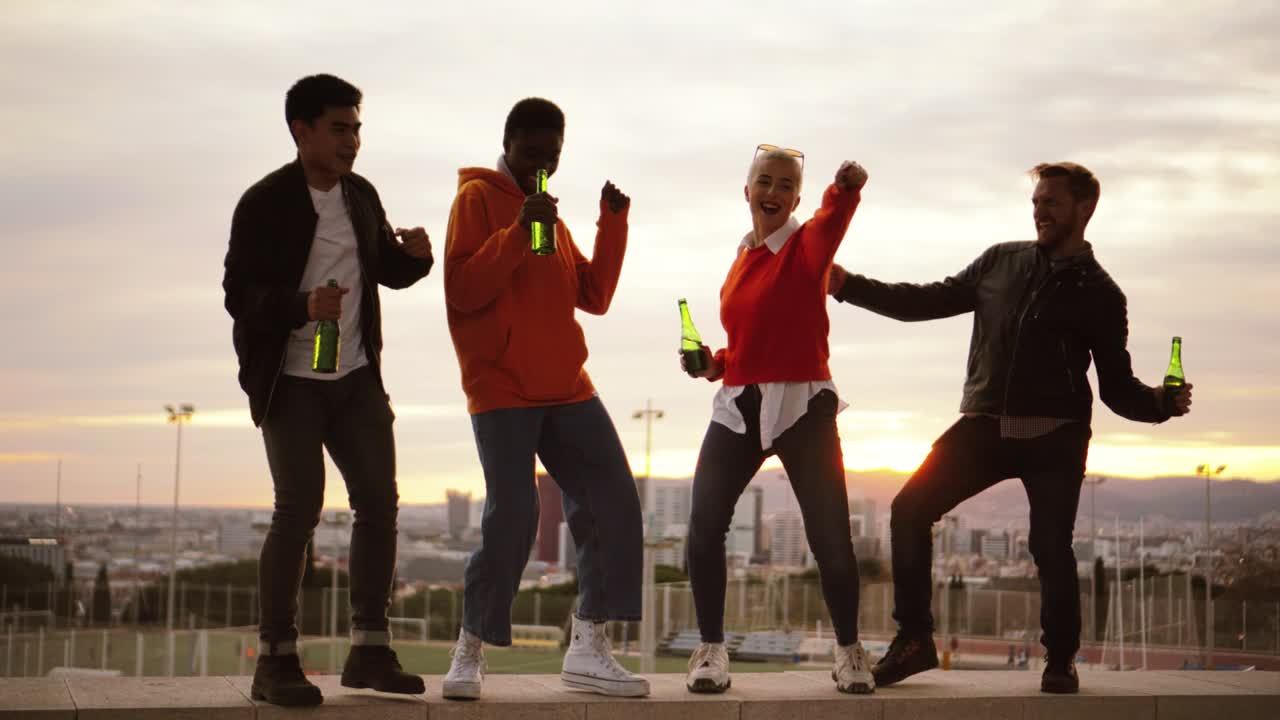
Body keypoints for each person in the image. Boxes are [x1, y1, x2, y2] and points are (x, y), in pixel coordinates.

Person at [827, 162, 1194, 694]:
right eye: (1036, 201)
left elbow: (1117, 388)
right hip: (985, 424)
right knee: (909, 509)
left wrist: (1161, 403)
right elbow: (926, 300)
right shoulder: (1001, 261)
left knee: (1050, 545)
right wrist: (848, 285)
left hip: (1056, 436)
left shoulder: (1102, 293)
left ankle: (1061, 660)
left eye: (1051, 202)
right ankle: (915, 641)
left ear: (1085, 207)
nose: (1039, 211)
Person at [223, 74, 433, 707]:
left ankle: (370, 651)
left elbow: (386, 270)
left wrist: (417, 259)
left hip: (356, 376)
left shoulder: (361, 196)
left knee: (379, 505)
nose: (353, 141)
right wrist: (300, 305)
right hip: (290, 381)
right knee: (298, 511)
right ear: (301, 130)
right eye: (340, 128)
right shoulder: (264, 202)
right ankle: (276, 661)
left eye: (357, 128)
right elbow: (239, 296)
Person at [440, 97, 647, 699]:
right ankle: (470, 648)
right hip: (501, 385)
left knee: (612, 499)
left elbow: (594, 294)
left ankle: (588, 644)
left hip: (566, 385)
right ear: (507, 143)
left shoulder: (550, 216)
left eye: (552, 155)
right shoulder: (476, 200)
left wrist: (612, 222)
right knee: (515, 516)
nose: (542, 165)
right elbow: (463, 289)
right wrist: (514, 230)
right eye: (531, 153)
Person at [682, 146, 875, 694]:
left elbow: (829, 222)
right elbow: (745, 346)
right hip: (740, 403)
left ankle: (849, 652)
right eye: (763, 181)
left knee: (831, 534)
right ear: (746, 191)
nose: (773, 191)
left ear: (796, 196)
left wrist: (845, 188)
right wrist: (711, 364)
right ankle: (712, 651)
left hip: (803, 405)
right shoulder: (741, 258)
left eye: (786, 184)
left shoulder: (806, 246)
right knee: (703, 526)